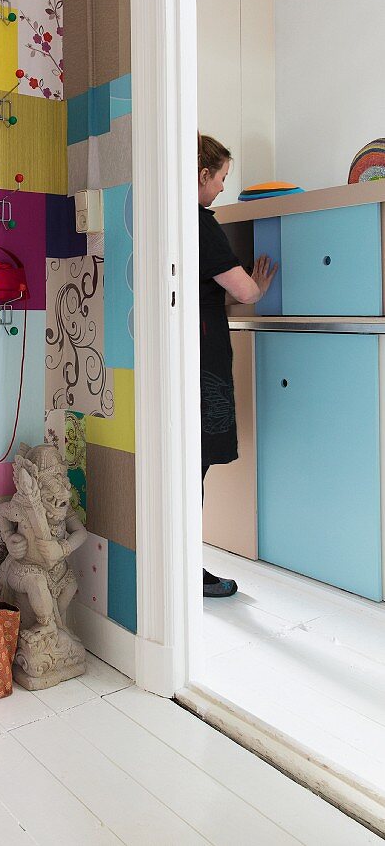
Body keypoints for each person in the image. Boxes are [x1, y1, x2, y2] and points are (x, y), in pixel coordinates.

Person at [198, 133, 278, 597]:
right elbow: (244, 292)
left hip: (194, 346)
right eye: (222, 177)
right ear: (204, 174)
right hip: (206, 355)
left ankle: (184, 566)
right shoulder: (203, 225)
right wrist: (258, 287)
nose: (224, 188)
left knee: (191, 465)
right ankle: (190, 570)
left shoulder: (173, 216)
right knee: (198, 463)